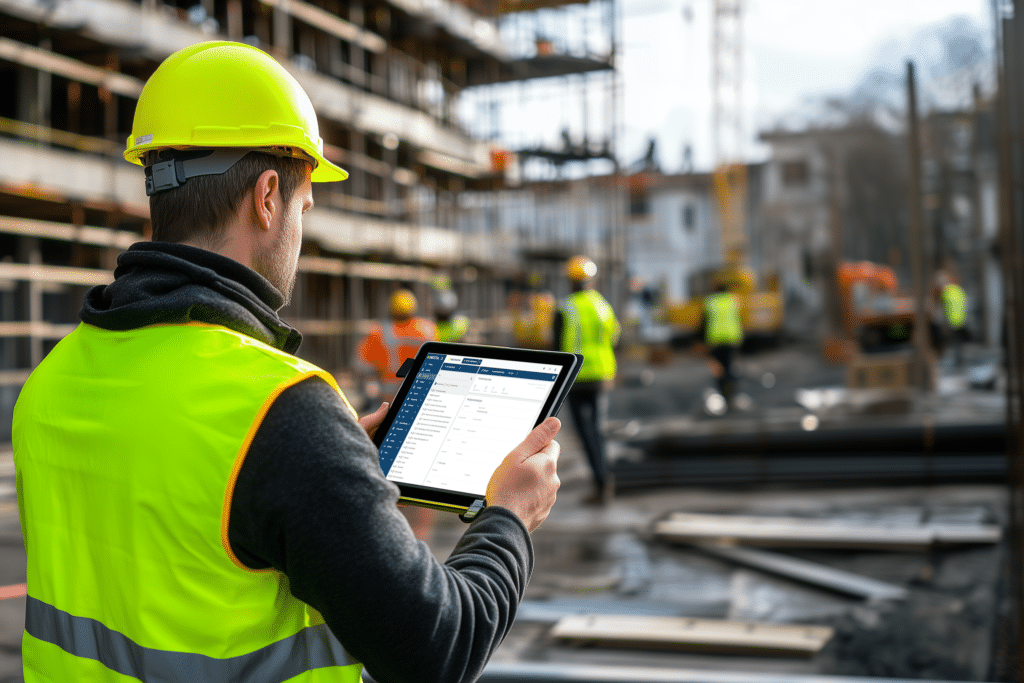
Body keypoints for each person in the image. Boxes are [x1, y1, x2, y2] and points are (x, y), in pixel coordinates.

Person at [12, 41, 561, 683]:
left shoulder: (52, 384)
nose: (302, 228)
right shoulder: (279, 414)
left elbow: (172, 520)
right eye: (305, 205)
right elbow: (437, 649)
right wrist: (510, 516)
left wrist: (320, 464)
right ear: (268, 196)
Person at [553, 256, 620, 506]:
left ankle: (601, 482)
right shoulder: (603, 305)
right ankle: (603, 480)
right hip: (602, 375)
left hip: (577, 377)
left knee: (586, 433)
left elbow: (557, 348)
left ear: (571, 281)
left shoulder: (566, 307)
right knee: (598, 430)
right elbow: (614, 337)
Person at [356, 287, 437, 403]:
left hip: (389, 393)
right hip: (422, 387)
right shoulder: (428, 329)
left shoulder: (379, 332)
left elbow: (361, 364)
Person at [699, 280, 744, 406]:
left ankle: (723, 388)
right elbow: (737, 319)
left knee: (717, 366)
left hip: (715, 339)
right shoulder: (733, 300)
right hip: (731, 338)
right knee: (728, 364)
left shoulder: (711, 301)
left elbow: (705, 322)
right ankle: (730, 387)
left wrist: (700, 340)